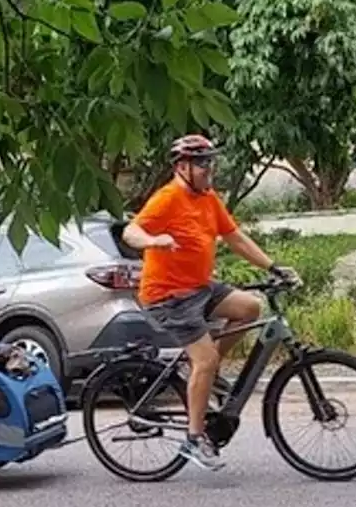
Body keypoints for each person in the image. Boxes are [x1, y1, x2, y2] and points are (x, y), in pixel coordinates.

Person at [121, 134, 299, 470]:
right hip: (168, 296)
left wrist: (272, 266)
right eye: (202, 162)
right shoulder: (168, 198)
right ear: (182, 166)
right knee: (204, 361)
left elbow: (234, 237)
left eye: (210, 161)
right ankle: (193, 438)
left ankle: (203, 370)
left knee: (249, 308)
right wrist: (154, 240)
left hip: (199, 288)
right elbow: (131, 233)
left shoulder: (208, 198)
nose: (209, 168)